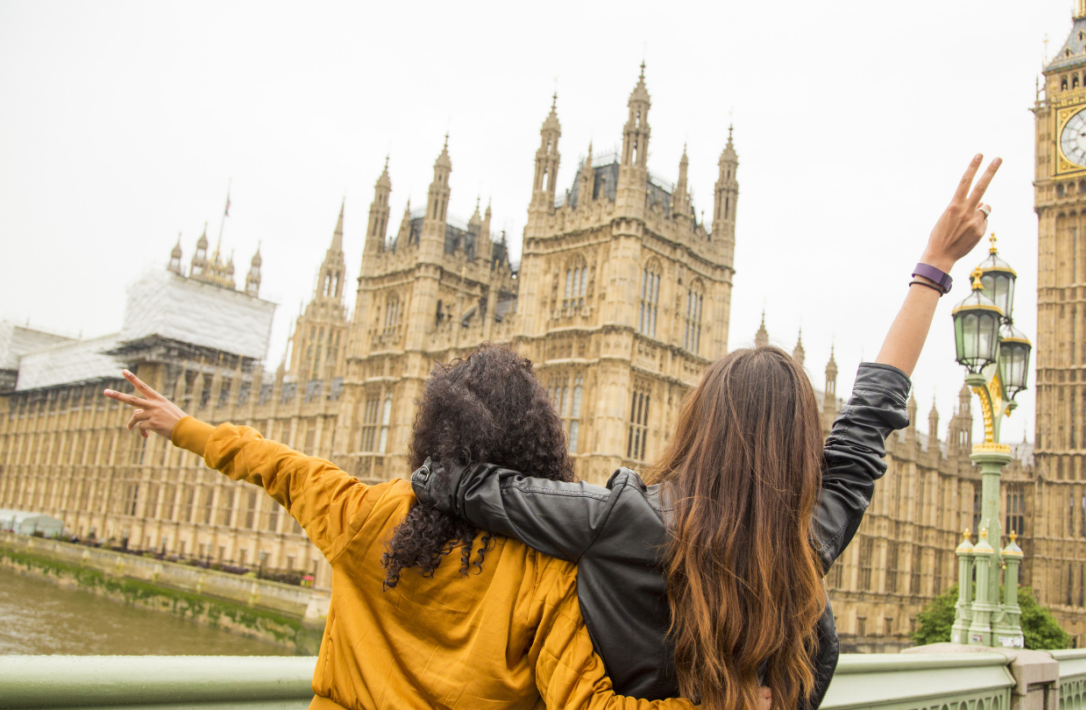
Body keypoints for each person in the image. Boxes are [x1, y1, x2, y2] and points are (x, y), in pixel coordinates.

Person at [414, 154, 1004, 710]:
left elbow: (469, 487)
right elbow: (871, 416)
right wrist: (934, 267)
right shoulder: (807, 539)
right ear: (803, 447)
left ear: (698, 421)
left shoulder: (620, 520)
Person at [105, 346, 771, 710]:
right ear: (538, 446)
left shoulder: (368, 515)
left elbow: (277, 466)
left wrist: (183, 425)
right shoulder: (547, 571)